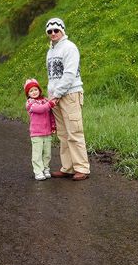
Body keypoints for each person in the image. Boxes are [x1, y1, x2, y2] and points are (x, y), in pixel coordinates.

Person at [45, 17, 90, 181]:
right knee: (63, 134)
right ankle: (68, 167)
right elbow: (51, 77)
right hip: (55, 97)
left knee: (74, 131)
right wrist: (51, 97)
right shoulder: (50, 51)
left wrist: (57, 94)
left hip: (70, 94)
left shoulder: (70, 48)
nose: (53, 33)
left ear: (62, 30)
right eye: (49, 31)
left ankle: (82, 168)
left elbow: (69, 74)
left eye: (56, 30)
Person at [24, 78, 56, 181]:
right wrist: (50, 104)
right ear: (28, 94)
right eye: (31, 91)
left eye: (35, 89)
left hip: (47, 132)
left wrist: (53, 126)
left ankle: (46, 169)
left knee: (47, 153)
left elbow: (50, 114)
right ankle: (38, 171)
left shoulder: (45, 100)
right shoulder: (30, 103)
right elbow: (41, 109)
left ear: (39, 90)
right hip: (36, 133)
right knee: (37, 153)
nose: (34, 92)